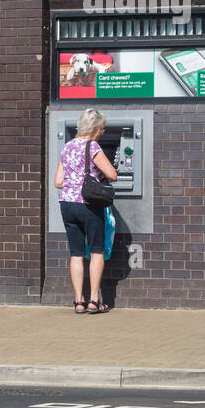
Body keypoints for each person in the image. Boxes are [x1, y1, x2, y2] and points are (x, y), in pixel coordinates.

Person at [54, 108, 119, 314]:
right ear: (95, 128)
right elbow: (113, 174)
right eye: (101, 128)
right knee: (97, 251)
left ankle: (78, 301)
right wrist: (96, 177)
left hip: (67, 204)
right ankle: (93, 301)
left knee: (76, 253)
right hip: (88, 204)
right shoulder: (93, 146)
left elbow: (58, 182)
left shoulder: (67, 147)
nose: (102, 132)